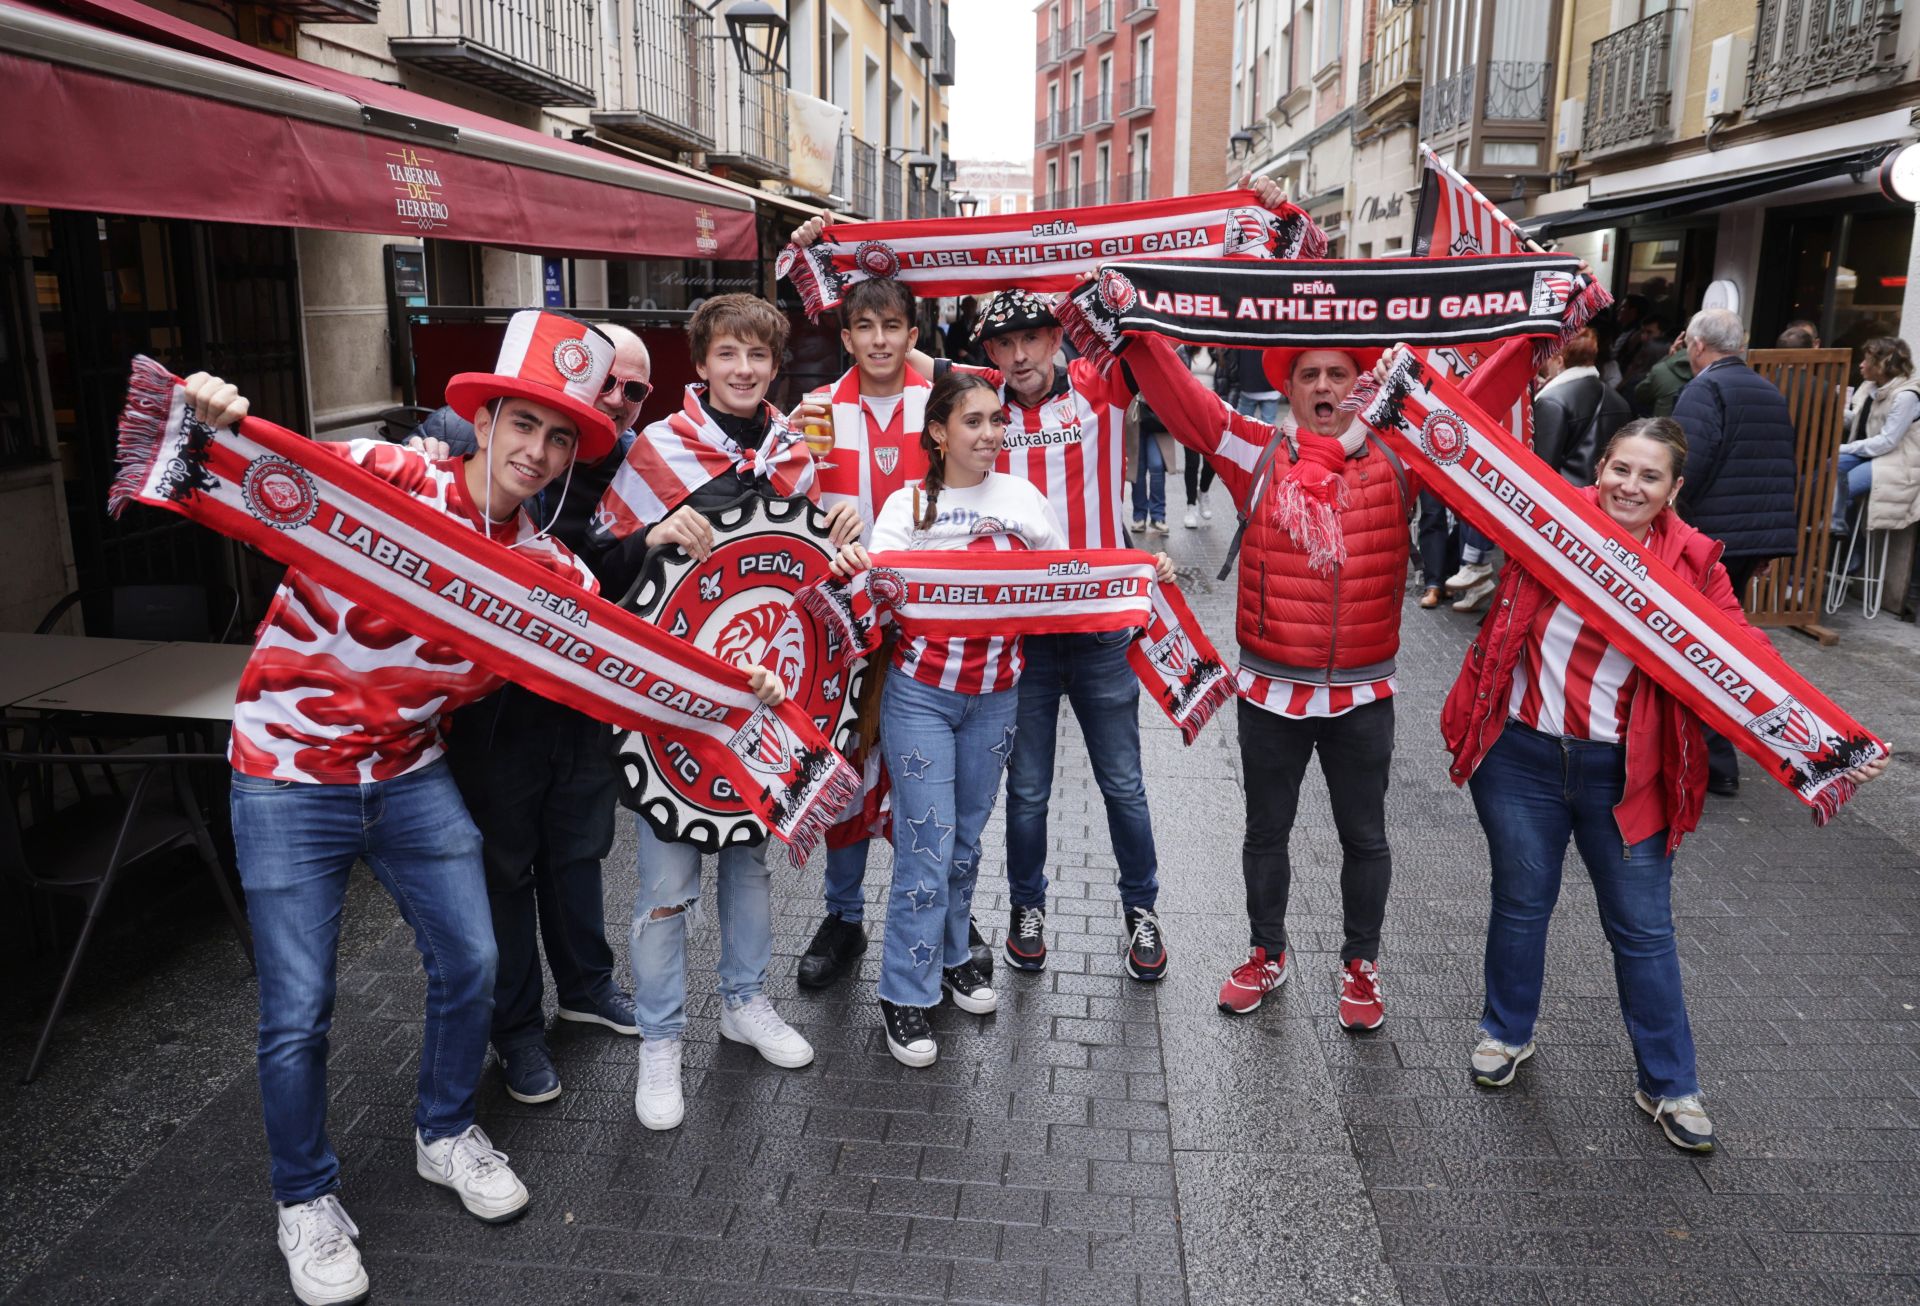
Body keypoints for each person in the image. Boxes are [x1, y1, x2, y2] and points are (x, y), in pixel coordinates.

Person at [205, 309, 621, 1305]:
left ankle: (444, 1131)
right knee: (298, 1010)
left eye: (562, 437)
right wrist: (213, 417)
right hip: (285, 771)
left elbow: (624, 659)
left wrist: (737, 687)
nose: (540, 450)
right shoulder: (387, 479)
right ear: (485, 418)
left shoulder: (550, 573)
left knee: (473, 959)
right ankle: (304, 1199)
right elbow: (245, 463)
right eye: (526, 422)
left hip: (406, 775)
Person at [1442, 417, 1889, 1152]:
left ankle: (1670, 1082)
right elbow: (1466, 457)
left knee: (1643, 928)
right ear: (1600, 467)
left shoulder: (1694, 564)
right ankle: (1505, 1032)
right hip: (1521, 759)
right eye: (1620, 469)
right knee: (1522, 903)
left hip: (1628, 774)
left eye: (1650, 477)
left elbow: (1746, 660)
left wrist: (1834, 740)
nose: (1630, 486)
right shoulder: (1547, 518)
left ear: (1674, 490)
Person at [832, 374, 1179, 1065]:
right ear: (938, 432)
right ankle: (906, 992)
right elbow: (877, 589)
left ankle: (955, 954)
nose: (990, 433)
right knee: (926, 849)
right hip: (922, 696)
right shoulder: (908, 507)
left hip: (997, 695)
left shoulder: (1022, 499)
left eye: (996, 421)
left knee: (964, 843)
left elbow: (1065, 583)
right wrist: (854, 563)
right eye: (974, 422)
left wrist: (1140, 573)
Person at [589, 294, 846, 1132]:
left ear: (775, 367)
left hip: (764, 701)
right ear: (700, 363)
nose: (743, 370)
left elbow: (817, 582)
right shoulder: (658, 450)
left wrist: (844, 533)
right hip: (670, 707)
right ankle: (661, 1038)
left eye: (758, 357)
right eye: (728, 354)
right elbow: (603, 577)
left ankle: (744, 1002)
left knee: (748, 865)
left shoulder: (797, 456)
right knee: (665, 884)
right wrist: (656, 535)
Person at [1125, 326, 1411, 1031]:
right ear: (1288, 386)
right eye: (1309, 374)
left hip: (1362, 693)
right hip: (1271, 690)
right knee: (1266, 833)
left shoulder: (1399, 451)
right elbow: (1187, 404)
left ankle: (1361, 966)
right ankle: (1266, 953)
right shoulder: (1258, 450)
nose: (1323, 387)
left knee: (1364, 837)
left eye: (1338, 373)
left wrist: (1534, 330)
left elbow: (1478, 411)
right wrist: (1133, 332)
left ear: (1359, 383)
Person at [407, 324, 652, 1108]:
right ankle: (515, 1030)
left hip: (579, 703)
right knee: (504, 867)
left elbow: (614, 589)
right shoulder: (446, 451)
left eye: (632, 391)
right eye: (604, 380)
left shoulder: (639, 466)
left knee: (579, 850)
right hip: (492, 710)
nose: (613, 398)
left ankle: (586, 985)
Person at [958, 290, 1171, 981]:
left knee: (1124, 785)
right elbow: (889, 369)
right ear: (989, 352)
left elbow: (1145, 331)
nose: (1019, 355)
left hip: (1101, 630)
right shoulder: (978, 405)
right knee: (1027, 792)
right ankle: (1028, 908)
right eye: (1003, 343)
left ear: (1057, 338)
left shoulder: (1099, 383)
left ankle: (1142, 911)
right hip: (1023, 637)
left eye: (1033, 338)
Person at [785, 277, 946, 990]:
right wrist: (817, 524)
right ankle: (843, 917)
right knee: (845, 771)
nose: (879, 339)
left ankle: (945, 909)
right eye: (864, 327)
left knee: (929, 774)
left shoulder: (942, 406)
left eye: (892, 326)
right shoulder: (814, 412)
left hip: (928, 620)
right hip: (844, 624)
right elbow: (783, 508)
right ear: (845, 338)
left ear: (913, 336)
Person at [1670, 307, 1798, 796]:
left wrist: (1670, 528)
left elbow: (1686, 465)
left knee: (1699, 647)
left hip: (1711, 538)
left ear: (1698, 345)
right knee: (1725, 640)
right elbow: (1778, 467)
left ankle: (1712, 759)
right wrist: (1766, 542)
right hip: (1748, 539)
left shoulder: (1704, 389)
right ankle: (1717, 756)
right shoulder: (1767, 389)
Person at [1835, 336, 1920, 542]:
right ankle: (1836, 534)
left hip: (1896, 461)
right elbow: (1858, 422)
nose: (1861, 365)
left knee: (1843, 486)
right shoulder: (1869, 387)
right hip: (1871, 453)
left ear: (1882, 365)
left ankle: (1850, 549)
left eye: (1867, 360)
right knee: (1828, 470)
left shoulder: (1906, 396)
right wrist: (1833, 406)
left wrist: (1844, 448)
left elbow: (1887, 442)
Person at [1533, 328, 1631, 487]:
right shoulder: (1620, 402)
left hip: (1560, 497)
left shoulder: (1552, 401)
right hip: (1599, 499)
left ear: (1559, 361)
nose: (1543, 364)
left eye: (1547, 358)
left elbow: (1540, 467)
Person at [1182, 346, 1222, 529]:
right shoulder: (1185, 350)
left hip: (1214, 412)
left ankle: (1203, 492)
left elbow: (1227, 382)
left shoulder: (1218, 349)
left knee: (1213, 460)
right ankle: (1191, 506)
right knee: (1191, 462)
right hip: (1190, 413)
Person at [1131, 390, 1174, 535]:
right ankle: (1139, 516)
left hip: (1158, 417)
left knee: (1157, 466)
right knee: (1138, 469)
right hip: (1134, 416)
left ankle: (1158, 516)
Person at [1633, 332, 1693, 418]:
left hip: (1662, 428)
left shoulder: (1662, 370)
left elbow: (1640, 394)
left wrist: (1668, 359)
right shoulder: (1713, 373)